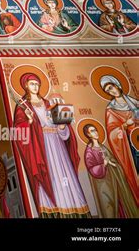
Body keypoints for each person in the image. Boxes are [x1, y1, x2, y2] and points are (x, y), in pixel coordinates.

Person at [13, 73, 90, 217]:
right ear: (25, 86)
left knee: (64, 175)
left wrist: (62, 127)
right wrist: (29, 121)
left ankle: (73, 210)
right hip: (41, 148)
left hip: (58, 146)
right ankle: (54, 212)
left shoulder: (49, 104)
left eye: (37, 84)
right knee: (50, 177)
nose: (35, 86)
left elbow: (65, 131)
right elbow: (18, 131)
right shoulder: (23, 107)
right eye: (31, 84)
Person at [83, 123, 138, 218]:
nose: (95, 132)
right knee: (108, 207)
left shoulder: (103, 147)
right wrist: (104, 163)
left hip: (113, 180)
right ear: (88, 135)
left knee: (119, 204)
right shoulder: (89, 151)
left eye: (95, 130)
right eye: (92, 131)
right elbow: (92, 170)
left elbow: (112, 160)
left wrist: (113, 164)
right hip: (103, 185)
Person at [100, 75, 139, 204]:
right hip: (131, 146)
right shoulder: (111, 109)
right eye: (108, 91)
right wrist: (125, 125)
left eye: (111, 87)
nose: (111, 91)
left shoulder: (134, 102)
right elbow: (112, 133)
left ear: (117, 85)